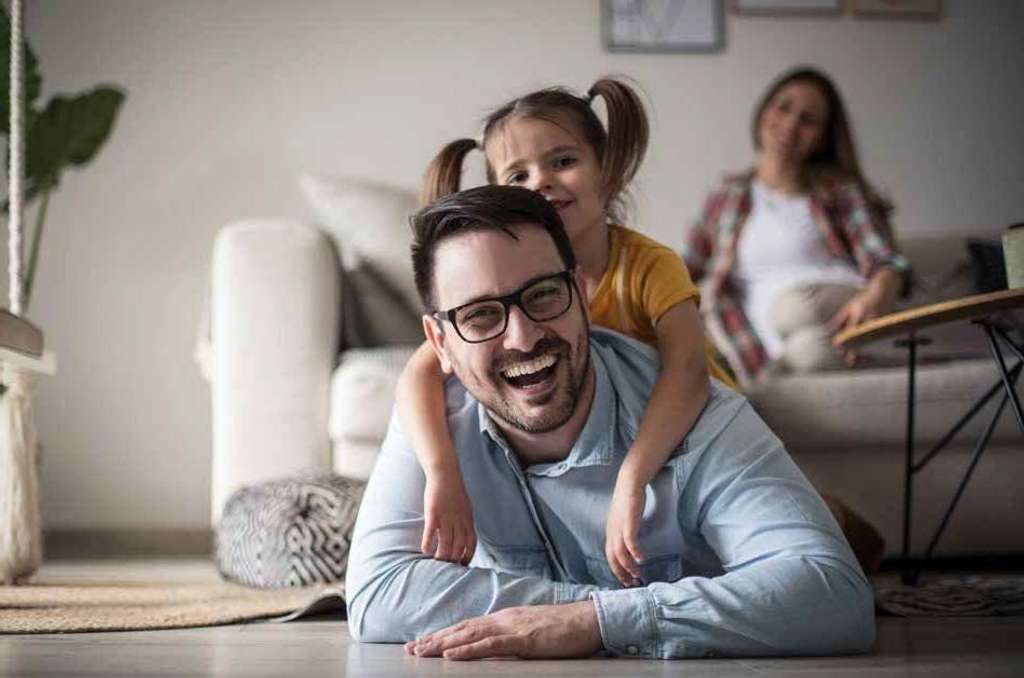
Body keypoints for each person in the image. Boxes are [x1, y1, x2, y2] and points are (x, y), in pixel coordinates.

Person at [345, 185, 875, 660]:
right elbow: (376, 596)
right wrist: (593, 612)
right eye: (480, 315)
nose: (523, 337)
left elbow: (835, 596)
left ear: (581, 293)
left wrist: (593, 622)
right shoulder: (436, 419)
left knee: (844, 541)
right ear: (439, 342)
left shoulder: (700, 416)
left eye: (544, 295)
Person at [397, 77, 733, 587]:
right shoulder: (499, 293)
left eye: (562, 161)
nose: (542, 182)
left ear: (607, 168)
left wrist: (632, 479)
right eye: (519, 174)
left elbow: (689, 372)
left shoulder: (649, 265)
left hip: (691, 428)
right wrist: (443, 474)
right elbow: (418, 374)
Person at [683, 67, 911, 388]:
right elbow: (686, 268)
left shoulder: (840, 192)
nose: (791, 125)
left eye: (808, 120)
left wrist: (876, 296)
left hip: (833, 304)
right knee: (806, 352)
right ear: (764, 112)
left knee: (789, 310)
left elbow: (885, 260)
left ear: (822, 138)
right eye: (784, 108)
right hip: (774, 342)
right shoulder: (725, 198)